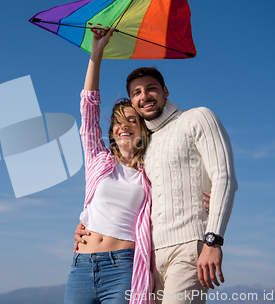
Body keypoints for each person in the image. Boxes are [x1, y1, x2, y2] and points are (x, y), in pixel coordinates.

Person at [75, 37, 238, 303]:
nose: (144, 96)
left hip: (189, 249)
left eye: (151, 89)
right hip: (148, 259)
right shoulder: (143, 152)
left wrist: (213, 240)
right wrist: (86, 220)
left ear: (165, 91)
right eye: (136, 93)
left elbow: (225, 177)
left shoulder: (196, 117)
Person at [63, 27, 153, 304]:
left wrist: (206, 198)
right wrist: (96, 52)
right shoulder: (98, 160)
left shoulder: (150, 172)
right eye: (118, 122)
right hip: (81, 265)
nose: (123, 126)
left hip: (123, 268)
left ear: (142, 129)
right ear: (112, 131)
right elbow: (88, 108)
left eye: (131, 121)